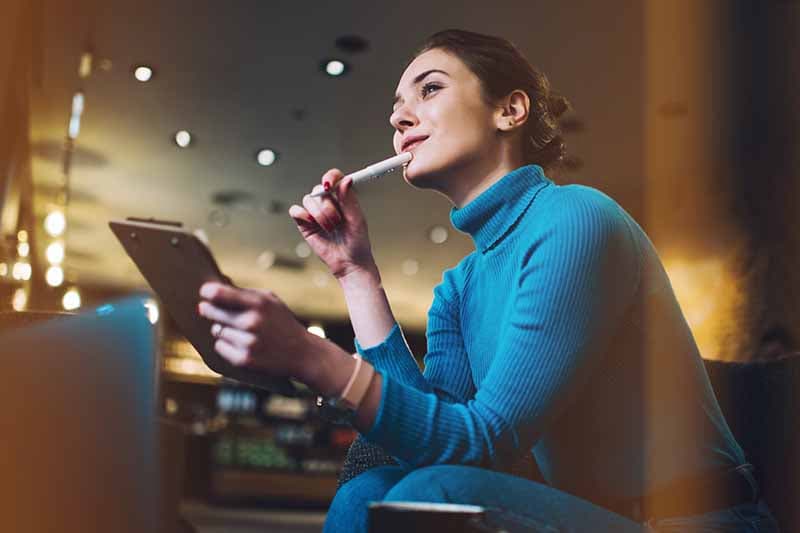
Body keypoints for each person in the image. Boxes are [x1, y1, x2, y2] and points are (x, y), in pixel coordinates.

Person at [197, 29, 779, 532]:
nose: (400, 118)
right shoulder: (462, 284)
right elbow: (436, 444)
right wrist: (355, 272)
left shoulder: (575, 219)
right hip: (591, 516)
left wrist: (313, 360)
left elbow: (483, 445)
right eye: (397, 107)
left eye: (429, 89)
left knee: (429, 498)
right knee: (368, 492)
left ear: (511, 110)